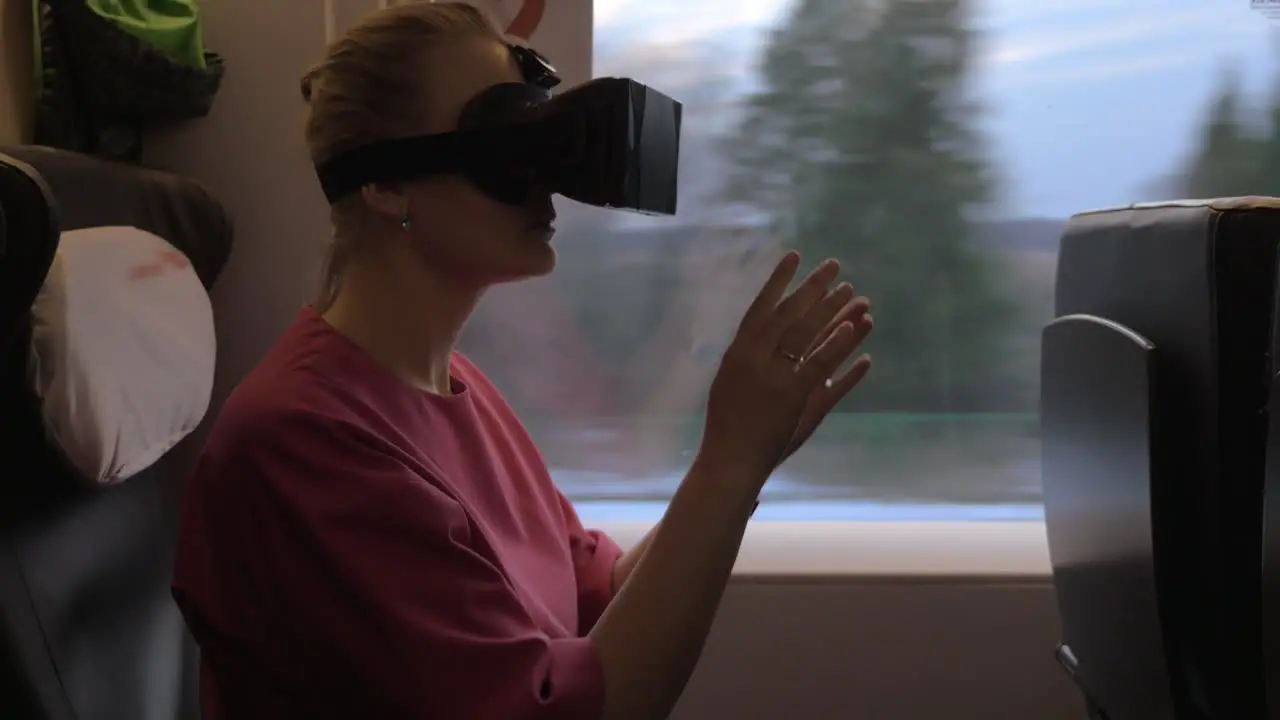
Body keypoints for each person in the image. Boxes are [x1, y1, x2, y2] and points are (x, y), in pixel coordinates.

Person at [171, 3, 875, 719]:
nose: (548, 176)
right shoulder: (302, 445)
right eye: (510, 136)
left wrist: (745, 459)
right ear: (384, 185)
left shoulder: (456, 388)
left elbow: (595, 600)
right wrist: (726, 469)